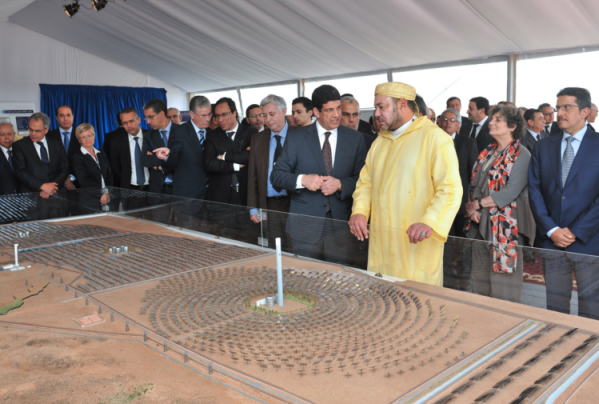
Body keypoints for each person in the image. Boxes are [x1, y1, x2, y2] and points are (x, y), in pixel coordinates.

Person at [349, 82, 462, 286]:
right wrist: (359, 211)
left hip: (415, 243)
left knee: (416, 301)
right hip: (382, 244)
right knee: (382, 298)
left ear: (402, 104)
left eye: (382, 107)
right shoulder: (379, 142)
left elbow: (450, 190)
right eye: (376, 107)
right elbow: (365, 183)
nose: (376, 114)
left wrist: (429, 222)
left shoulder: (434, 137)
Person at [271, 85, 367, 263]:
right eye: (329, 110)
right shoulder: (297, 137)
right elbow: (276, 176)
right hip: (305, 227)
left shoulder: (355, 139)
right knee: (305, 276)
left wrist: (340, 184)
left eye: (338, 108)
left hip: (340, 226)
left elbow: (363, 180)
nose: (336, 115)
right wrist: (302, 180)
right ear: (316, 112)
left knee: (337, 276)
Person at [529, 87, 599, 320]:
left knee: (592, 310)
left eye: (567, 107)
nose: (559, 113)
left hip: (590, 241)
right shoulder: (543, 147)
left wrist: (575, 231)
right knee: (555, 309)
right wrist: (551, 229)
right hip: (552, 241)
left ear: (585, 111)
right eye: (558, 107)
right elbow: (535, 190)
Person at [464, 104, 534, 303]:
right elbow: (473, 183)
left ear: (512, 126)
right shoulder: (487, 151)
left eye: (497, 120)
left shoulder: (522, 154)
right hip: (478, 223)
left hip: (505, 226)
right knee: (479, 280)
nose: (491, 123)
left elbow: (510, 192)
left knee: (504, 285)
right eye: (492, 119)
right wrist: (472, 209)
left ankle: (505, 319)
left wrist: (477, 205)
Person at [247, 95, 295, 249]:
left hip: (294, 202)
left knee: (295, 247)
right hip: (269, 205)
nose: (267, 119)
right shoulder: (258, 139)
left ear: (284, 111)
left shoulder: (300, 135)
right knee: (274, 248)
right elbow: (253, 176)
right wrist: (253, 208)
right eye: (264, 115)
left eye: (272, 114)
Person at [438, 108, 478, 291]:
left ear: (458, 125)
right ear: (439, 122)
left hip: (462, 204)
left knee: (463, 243)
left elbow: (473, 175)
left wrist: (471, 203)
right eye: (444, 119)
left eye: (452, 120)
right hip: (440, 203)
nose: (448, 122)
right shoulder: (434, 141)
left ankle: (464, 277)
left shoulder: (468, 143)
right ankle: (446, 276)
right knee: (443, 241)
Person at [12, 113, 69, 219]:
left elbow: (64, 168)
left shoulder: (57, 144)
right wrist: (42, 186)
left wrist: (51, 187)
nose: (33, 133)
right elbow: (20, 172)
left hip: (57, 199)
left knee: (60, 228)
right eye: (31, 129)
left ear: (46, 130)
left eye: (37, 131)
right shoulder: (19, 146)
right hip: (32, 201)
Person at [153, 95, 211, 200]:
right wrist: (167, 155)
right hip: (187, 195)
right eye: (203, 115)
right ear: (192, 114)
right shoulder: (179, 132)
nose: (208, 119)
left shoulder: (212, 132)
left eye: (209, 114)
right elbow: (172, 161)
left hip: (209, 194)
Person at [204, 97, 256, 206]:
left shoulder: (251, 133)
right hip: (219, 197)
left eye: (224, 114)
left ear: (234, 113)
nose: (220, 119)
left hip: (245, 195)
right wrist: (235, 166)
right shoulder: (212, 135)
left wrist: (225, 156)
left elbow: (250, 156)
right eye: (217, 116)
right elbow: (210, 164)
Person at [141, 98, 185, 195]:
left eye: (150, 117)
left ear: (161, 114)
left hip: (181, 189)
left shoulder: (183, 131)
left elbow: (186, 159)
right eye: (146, 118)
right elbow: (144, 160)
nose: (148, 122)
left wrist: (159, 166)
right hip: (157, 190)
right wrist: (170, 159)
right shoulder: (148, 136)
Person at [72, 123, 112, 209]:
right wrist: (101, 194)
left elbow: (109, 175)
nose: (87, 140)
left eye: (89, 136)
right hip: (89, 201)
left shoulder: (102, 153)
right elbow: (84, 182)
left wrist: (107, 193)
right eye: (83, 137)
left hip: (107, 197)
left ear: (94, 136)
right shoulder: (77, 157)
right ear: (79, 140)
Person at [108, 107, 150, 191]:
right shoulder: (115, 142)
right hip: (129, 189)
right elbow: (115, 168)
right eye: (125, 123)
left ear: (139, 120)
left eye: (131, 121)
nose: (129, 126)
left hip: (152, 187)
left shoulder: (152, 137)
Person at [46, 105, 77, 191]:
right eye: (61, 115)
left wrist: (71, 178)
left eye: (68, 115)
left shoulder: (81, 136)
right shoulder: (48, 136)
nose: (65, 119)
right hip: (55, 184)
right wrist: (63, 178)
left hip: (78, 183)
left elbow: (86, 161)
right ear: (56, 118)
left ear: (73, 116)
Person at [0, 122, 20, 195]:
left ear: (14, 134)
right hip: (3, 198)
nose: (7, 137)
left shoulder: (21, 150)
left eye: (9, 134)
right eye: (2, 134)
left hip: (23, 196)